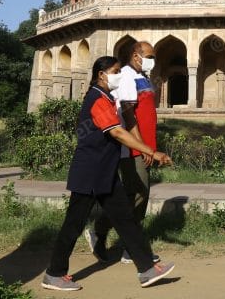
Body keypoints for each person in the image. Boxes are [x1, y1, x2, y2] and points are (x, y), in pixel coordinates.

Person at [41, 56, 175, 291]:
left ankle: (146, 269)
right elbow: (118, 134)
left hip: (105, 173)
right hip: (90, 173)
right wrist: (151, 152)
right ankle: (54, 274)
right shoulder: (96, 99)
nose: (119, 75)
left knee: (125, 220)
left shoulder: (105, 97)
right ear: (101, 74)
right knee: (73, 224)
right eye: (115, 71)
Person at [86, 41, 159, 264]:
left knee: (133, 196)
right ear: (136, 56)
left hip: (144, 145)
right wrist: (141, 146)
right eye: (149, 56)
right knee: (138, 193)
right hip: (133, 147)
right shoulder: (126, 75)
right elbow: (127, 114)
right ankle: (125, 243)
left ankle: (111, 235)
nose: (152, 60)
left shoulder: (142, 76)